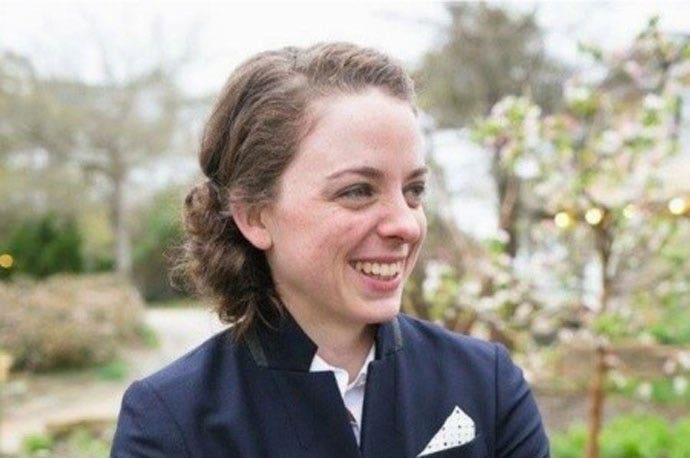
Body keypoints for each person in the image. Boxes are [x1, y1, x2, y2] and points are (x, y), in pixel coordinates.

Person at [111, 42, 549, 458]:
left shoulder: (487, 385)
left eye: (414, 190)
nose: (405, 224)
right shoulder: (170, 423)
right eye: (358, 191)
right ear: (256, 216)